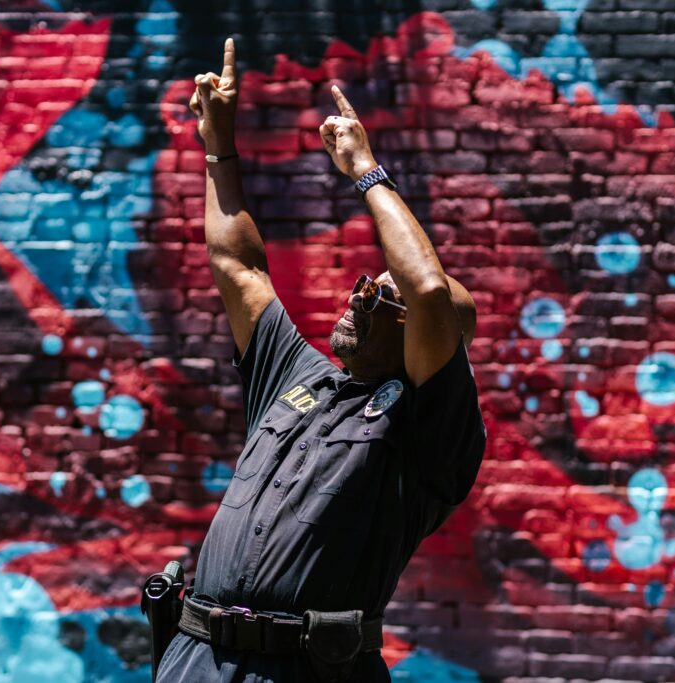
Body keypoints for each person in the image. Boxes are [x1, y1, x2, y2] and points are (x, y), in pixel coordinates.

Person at [155, 37, 486, 682]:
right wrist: (219, 149)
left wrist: (366, 172)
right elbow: (238, 266)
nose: (360, 295)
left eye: (380, 299)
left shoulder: (428, 433)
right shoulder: (296, 376)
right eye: (366, 283)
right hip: (196, 660)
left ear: (425, 339)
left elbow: (425, 289)